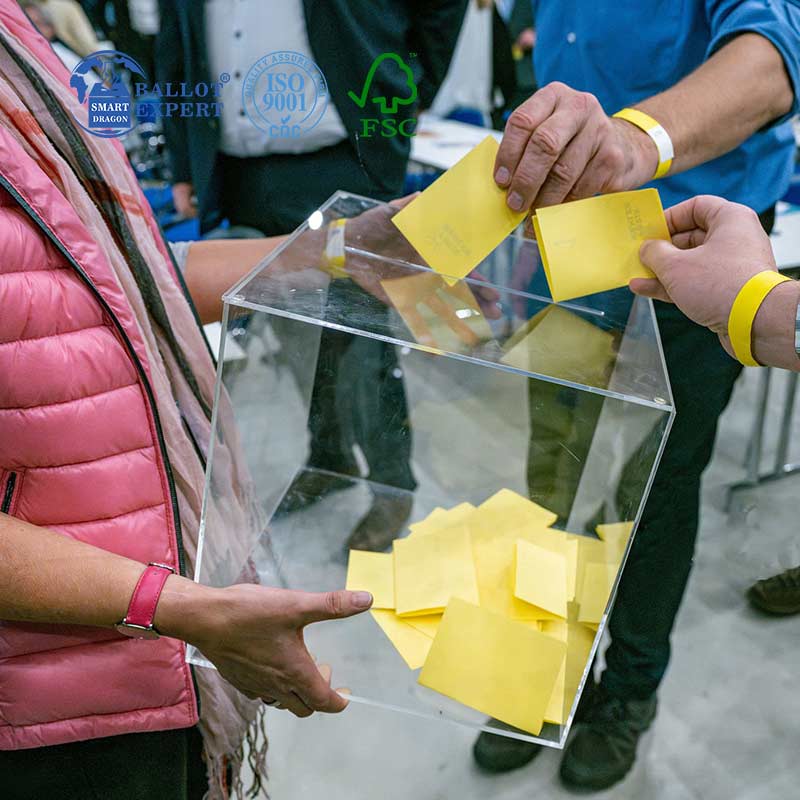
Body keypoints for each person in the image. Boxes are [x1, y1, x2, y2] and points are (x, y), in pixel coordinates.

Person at [0, 5, 469, 798]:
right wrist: (178, 606)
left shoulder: (18, 43)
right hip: (61, 686)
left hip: (149, 634)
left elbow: (121, 279)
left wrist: (336, 251)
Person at [472, 1, 800, 791]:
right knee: (550, 470)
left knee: (654, 487)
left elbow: (774, 56)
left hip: (692, 250)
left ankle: (628, 687)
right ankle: (541, 667)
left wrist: (637, 138)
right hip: (570, 249)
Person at [157, 0, 467, 552]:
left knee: (362, 343)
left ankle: (392, 487)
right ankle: (329, 458)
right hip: (240, 167)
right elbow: (178, 41)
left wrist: (404, 90)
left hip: (344, 156)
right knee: (290, 335)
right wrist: (186, 162)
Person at [633, 193, 800, 618]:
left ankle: (636, 659)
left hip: (709, 238)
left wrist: (760, 308)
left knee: (667, 471)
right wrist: (764, 310)